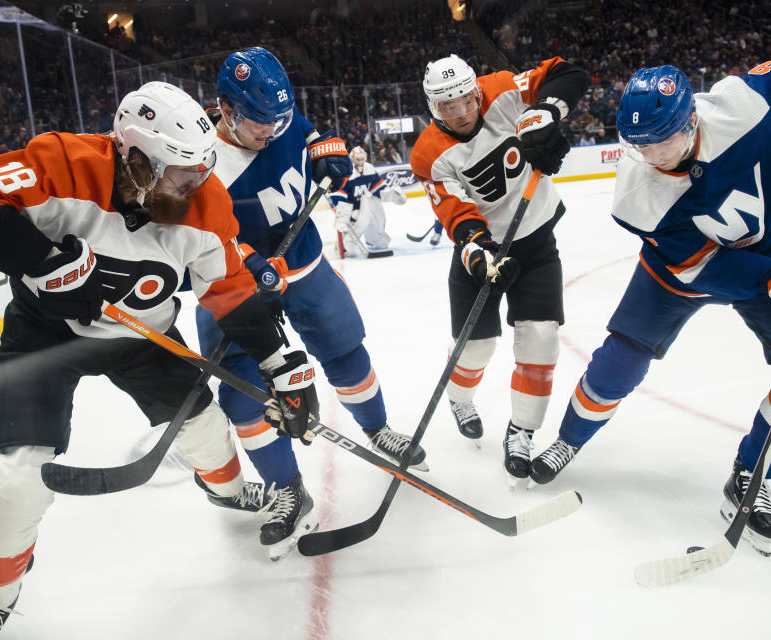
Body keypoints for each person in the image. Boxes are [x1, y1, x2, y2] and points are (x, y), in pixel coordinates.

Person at [0, 81, 319, 639]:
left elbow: (229, 288)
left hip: (144, 338)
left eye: (202, 169)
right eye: (181, 171)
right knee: (15, 478)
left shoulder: (204, 202)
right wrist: (39, 260)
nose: (196, 184)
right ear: (133, 155)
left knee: (204, 426)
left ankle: (229, 491)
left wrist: (285, 365)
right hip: (45, 335)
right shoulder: (63, 163)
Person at [530, 6, 771, 557]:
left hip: (770, 251)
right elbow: (706, 266)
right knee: (620, 361)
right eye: (640, 145)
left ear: (692, 119)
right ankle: (567, 442)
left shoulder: (746, 105)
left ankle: (749, 474)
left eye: (663, 142)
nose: (652, 156)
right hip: (681, 272)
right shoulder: (635, 194)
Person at [194, 47, 427, 538]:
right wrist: (248, 263)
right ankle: (288, 489)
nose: (272, 130)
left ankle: (377, 428)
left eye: (279, 118)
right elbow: (198, 235)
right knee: (243, 398)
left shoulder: (281, 120)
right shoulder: (199, 160)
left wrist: (329, 149)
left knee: (347, 355)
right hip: (235, 289)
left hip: (305, 269)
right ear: (226, 109)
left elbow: (313, 135)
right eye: (260, 121)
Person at [409, 53, 588, 486]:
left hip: (537, 240)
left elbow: (570, 73)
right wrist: (479, 253)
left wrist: (545, 114)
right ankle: (460, 398)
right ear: (433, 109)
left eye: (467, 101)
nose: (461, 113)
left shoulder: (503, 88)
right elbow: (457, 213)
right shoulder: (428, 153)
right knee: (477, 347)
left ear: (477, 91)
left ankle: (522, 431)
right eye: (447, 107)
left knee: (541, 338)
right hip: (484, 249)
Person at [329, 145, 409, 255]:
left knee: (372, 201)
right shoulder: (346, 172)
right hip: (351, 209)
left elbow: (378, 189)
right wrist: (341, 211)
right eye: (358, 159)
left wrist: (392, 195)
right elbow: (339, 194)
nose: (360, 162)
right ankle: (343, 244)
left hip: (364, 206)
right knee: (350, 251)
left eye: (362, 159)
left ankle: (374, 238)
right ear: (352, 159)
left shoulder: (369, 169)